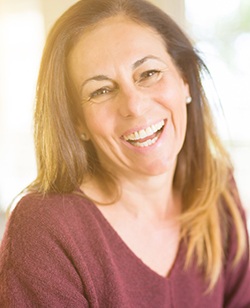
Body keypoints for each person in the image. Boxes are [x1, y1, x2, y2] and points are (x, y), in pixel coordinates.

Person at [0, 0, 249, 306]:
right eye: (101, 91)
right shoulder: (46, 229)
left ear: (185, 80)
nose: (134, 105)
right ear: (77, 121)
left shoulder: (217, 188)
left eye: (148, 73)